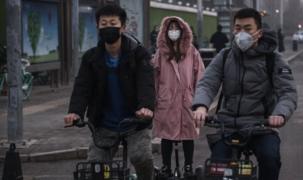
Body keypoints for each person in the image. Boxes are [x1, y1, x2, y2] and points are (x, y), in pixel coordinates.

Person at [192, 8, 297, 180]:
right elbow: (207, 83)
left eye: (248, 29)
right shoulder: (225, 56)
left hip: (260, 126)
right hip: (227, 125)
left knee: (270, 159)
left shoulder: (273, 59)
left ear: (259, 32)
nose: (242, 33)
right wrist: (201, 106)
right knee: (216, 169)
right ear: (233, 30)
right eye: (238, 28)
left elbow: (287, 92)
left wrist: (279, 114)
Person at [63, 4, 155, 180]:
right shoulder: (91, 58)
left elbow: (147, 84)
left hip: (135, 122)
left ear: (123, 27)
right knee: (95, 168)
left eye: (113, 23)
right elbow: (82, 87)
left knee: (140, 156)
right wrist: (75, 112)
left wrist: (146, 107)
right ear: (97, 26)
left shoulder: (139, 54)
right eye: (103, 23)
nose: (108, 27)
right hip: (104, 123)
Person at [152, 16, 205, 178]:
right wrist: (153, 100)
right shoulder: (161, 53)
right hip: (166, 100)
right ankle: (166, 166)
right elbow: (154, 76)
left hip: (187, 99)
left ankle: (188, 166)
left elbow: (200, 75)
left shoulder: (192, 52)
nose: (173, 31)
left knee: (188, 134)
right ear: (165, 32)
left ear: (183, 31)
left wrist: (199, 101)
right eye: (170, 28)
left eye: (176, 28)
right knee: (166, 136)